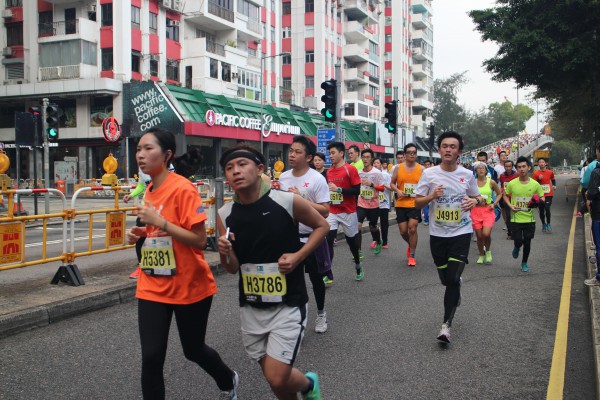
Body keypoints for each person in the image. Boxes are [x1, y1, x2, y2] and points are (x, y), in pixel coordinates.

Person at [125, 128, 239, 400]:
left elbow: (199, 240)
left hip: (189, 284)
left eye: (148, 148)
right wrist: (143, 233)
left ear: (166, 155)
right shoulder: (150, 190)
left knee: (193, 350)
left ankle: (228, 379)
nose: (140, 155)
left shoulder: (183, 188)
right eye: (138, 149)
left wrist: (160, 223)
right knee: (151, 357)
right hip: (153, 283)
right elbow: (159, 231)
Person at [217, 144, 328, 400]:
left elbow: (322, 226)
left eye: (242, 164)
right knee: (275, 380)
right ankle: (306, 387)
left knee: (277, 376)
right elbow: (232, 268)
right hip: (251, 305)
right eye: (229, 168)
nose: (236, 171)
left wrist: (298, 256)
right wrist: (224, 252)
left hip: (288, 302)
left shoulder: (286, 201)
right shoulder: (225, 214)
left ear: (259, 169)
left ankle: (308, 385)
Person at [415, 131, 483, 344]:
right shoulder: (429, 174)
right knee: (446, 280)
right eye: (444, 146)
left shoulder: (467, 175)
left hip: (461, 232)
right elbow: (417, 202)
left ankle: (446, 326)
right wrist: (432, 196)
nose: (448, 149)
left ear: (459, 151)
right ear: (439, 150)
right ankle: (456, 285)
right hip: (438, 234)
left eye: (452, 146)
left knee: (452, 279)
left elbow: (478, 197)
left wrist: (475, 201)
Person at [278, 136, 331, 333]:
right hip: (290, 237)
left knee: (316, 279)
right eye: (291, 150)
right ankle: (295, 317)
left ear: (308, 157)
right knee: (292, 280)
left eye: (297, 152)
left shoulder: (317, 179)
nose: (292, 154)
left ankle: (321, 314)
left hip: (312, 237)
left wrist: (300, 199)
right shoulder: (283, 178)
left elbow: (325, 211)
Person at [325, 141, 364, 281]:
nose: (330, 156)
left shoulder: (350, 169)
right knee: (328, 240)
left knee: (352, 242)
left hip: (348, 211)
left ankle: (358, 264)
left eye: (333, 153)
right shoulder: (329, 171)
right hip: (332, 211)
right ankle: (328, 273)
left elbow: (357, 190)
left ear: (341, 153)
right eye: (329, 153)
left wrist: (339, 190)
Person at [505, 156, 545, 272]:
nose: (522, 169)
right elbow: (505, 195)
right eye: (519, 167)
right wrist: (510, 205)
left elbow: (542, 197)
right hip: (516, 218)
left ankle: (524, 262)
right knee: (518, 240)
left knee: (527, 241)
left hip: (529, 219)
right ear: (517, 169)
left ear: (529, 167)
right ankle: (517, 247)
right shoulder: (512, 184)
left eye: (524, 166)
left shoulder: (535, 184)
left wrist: (538, 202)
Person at [390, 143, 423, 267]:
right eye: (409, 152)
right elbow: (392, 183)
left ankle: (412, 255)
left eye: (414, 152)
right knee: (403, 231)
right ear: (404, 154)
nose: (412, 154)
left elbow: (426, 185)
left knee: (412, 228)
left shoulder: (421, 169)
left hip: (415, 203)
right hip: (401, 203)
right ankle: (411, 244)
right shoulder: (398, 168)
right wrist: (397, 190)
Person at [123, 167, 152, 279]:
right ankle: (141, 266)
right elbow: (141, 186)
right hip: (145, 207)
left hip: (161, 207)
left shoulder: (167, 165)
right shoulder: (142, 168)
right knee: (139, 236)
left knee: (160, 236)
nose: (140, 158)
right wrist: (131, 195)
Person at [472, 162, 503, 264]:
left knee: (486, 234)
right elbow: (468, 195)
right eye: (478, 168)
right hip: (476, 210)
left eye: (483, 168)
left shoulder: (491, 182)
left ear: (486, 170)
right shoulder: (472, 182)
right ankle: (481, 255)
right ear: (476, 171)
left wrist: (494, 204)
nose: (481, 170)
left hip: (488, 210)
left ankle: (488, 251)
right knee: (479, 236)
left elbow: (499, 194)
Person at [356, 149, 385, 256]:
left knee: (372, 226)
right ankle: (358, 251)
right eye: (363, 157)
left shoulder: (377, 173)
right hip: (361, 203)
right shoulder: (359, 172)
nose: (365, 159)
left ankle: (378, 241)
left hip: (373, 205)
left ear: (371, 159)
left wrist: (371, 184)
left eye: (367, 157)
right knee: (358, 226)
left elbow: (382, 188)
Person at [585, 162, 600, 286]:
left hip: (598, 214)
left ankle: (599, 278)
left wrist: (589, 196)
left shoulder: (596, 171)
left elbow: (591, 192)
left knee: (599, 246)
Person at [532, 157, 557, 233]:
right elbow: (534, 184)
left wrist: (554, 185)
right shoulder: (536, 173)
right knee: (541, 211)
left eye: (543, 162)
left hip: (549, 193)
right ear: (538, 164)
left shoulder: (550, 172)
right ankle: (543, 224)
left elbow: (553, 179)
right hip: (540, 195)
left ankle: (548, 224)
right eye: (540, 162)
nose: (541, 163)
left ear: (546, 163)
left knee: (547, 208)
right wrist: (539, 179)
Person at [374, 157, 392, 249]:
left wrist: (383, 184)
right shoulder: (371, 174)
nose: (375, 164)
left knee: (384, 224)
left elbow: (391, 188)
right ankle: (376, 240)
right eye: (374, 163)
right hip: (373, 203)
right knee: (373, 223)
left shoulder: (386, 175)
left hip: (384, 203)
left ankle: (385, 242)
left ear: (381, 165)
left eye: (377, 163)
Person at [499, 160, 518, 239]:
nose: (508, 168)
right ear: (504, 167)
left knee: (516, 215)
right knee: (508, 216)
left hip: (515, 198)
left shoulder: (517, 175)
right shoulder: (502, 176)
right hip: (506, 198)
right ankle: (509, 232)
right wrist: (503, 192)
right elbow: (502, 186)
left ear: (512, 167)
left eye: (509, 166)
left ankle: (516, 231)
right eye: (506, 166)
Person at [421, 159, 433, 225]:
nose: (427, 166)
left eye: (428, 165)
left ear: (431, 165)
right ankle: (426, 220)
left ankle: (431, 219)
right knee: (425, 207)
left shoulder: (434, 173)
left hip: (432, 193)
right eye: (426, 165)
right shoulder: (422, 173)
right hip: (425, 193)